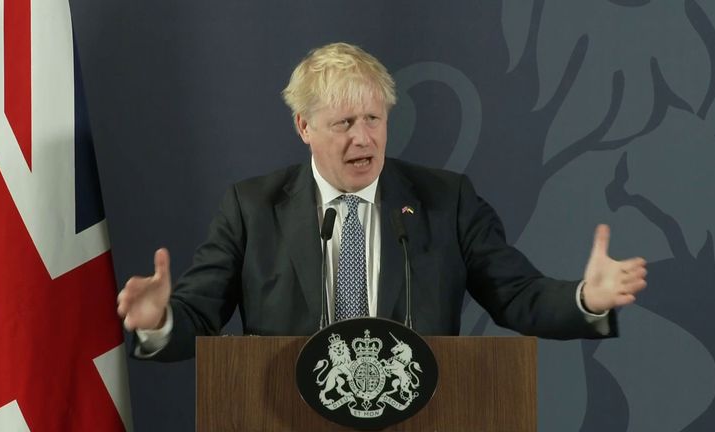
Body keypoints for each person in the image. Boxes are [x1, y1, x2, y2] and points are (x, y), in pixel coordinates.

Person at [116, 42, 647, 361]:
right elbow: (199, 315)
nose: (364, 139)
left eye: (374, 119)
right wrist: (159, 320)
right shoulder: (252, 208)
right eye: (344, 124)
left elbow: (519, 296)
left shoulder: (445, 200)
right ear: (304, 126)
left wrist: (585, 299)